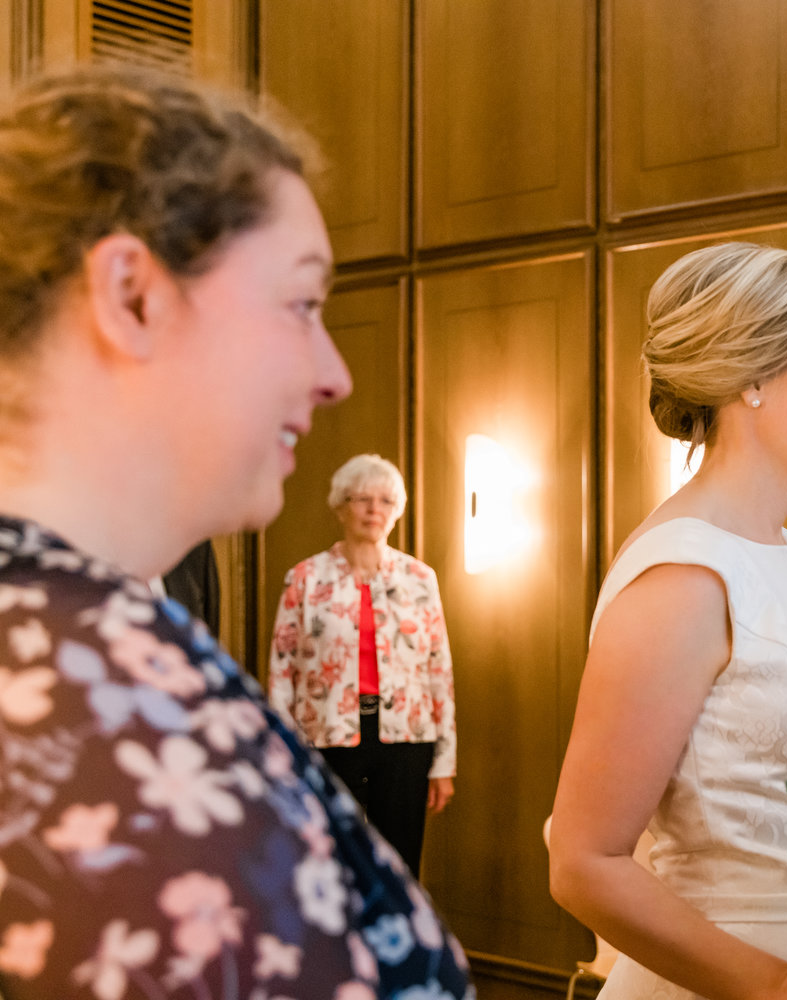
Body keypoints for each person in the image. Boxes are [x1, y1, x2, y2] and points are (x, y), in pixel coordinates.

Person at [0, 68, 473, 999]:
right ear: (134, 295)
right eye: (302, 304)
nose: (334, 373)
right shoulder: (77, 684)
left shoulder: (91, 626)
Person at [548, 242, 787, 1000]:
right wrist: (779, 985)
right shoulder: (684, 577)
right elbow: (583, 862)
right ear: (758, 375)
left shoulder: (782, 552)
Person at [269, 453, 457, 877]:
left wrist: (444, 763)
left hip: (406, 739)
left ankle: (396, 940)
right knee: (333, 860)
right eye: (362, 499)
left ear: (397, 512)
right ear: (341, 506)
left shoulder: (420, 579)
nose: (375, 510)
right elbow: (282, 672)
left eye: (386, 501)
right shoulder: (305, 579)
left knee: (399, 864)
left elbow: (438, 670)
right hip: (327, 736)